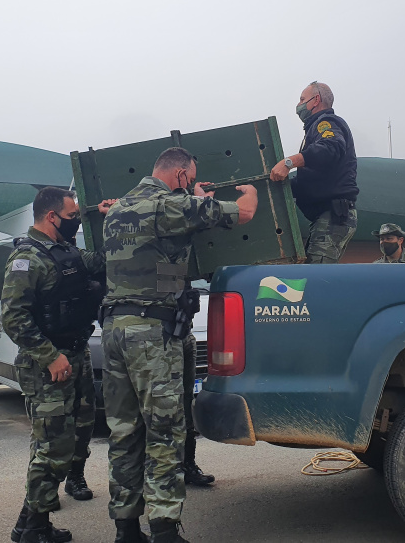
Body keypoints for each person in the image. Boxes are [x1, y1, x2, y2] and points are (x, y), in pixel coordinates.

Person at [101, 147, 257, 543]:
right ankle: (165, 530)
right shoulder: (168, 206)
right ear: (183, 175)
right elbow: (243, 213)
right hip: (152, 336)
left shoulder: (119, 209)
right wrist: (249, 195)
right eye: (190, 178)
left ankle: (126, 529)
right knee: (165, 430)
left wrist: (193, 198)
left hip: (115, 332)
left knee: (124, 432)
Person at [2, 186, 115, 543]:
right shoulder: (27, 258)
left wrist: (112, 221)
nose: (75, 222)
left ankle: (32, 523)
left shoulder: (65, 252)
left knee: (70, 439)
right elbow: (14, 317)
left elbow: (100, 261)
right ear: (51, 217)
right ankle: (32, 528)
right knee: (51, 446)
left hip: (76, 355)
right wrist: (51, 357)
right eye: (71, 217)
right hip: (48, 366)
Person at [269, 81, 359, 263]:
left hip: (333, 215)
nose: (299, 105)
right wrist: (281, 184)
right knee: (312, 269)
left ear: (316, 100)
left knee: (315, 277)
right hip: (326, 215)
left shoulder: (325, 123)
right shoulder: (314, 129)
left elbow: (330, 148)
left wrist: (288, 163)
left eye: (302, 99)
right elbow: (311, 181)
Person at [181, 332, 214, 486]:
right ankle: (169, 471)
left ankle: (188, 466)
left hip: (184, 330)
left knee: (186, 401)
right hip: (161, 336)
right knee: (165, 406)